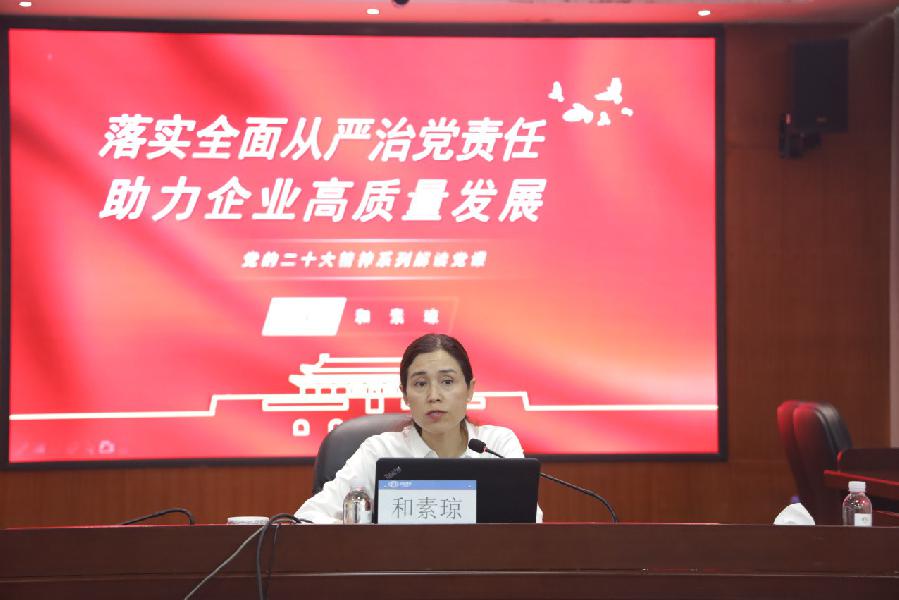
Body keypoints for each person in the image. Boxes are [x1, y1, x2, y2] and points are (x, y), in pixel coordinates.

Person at [295, 333, 542, 523]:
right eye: (421, 384)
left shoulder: (496, 445)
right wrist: (366, 534)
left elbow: (530, 522)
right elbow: (307, 517)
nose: (434, 396)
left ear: (470, 389)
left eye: (447, 381)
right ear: (405, 394)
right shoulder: (380, 452)